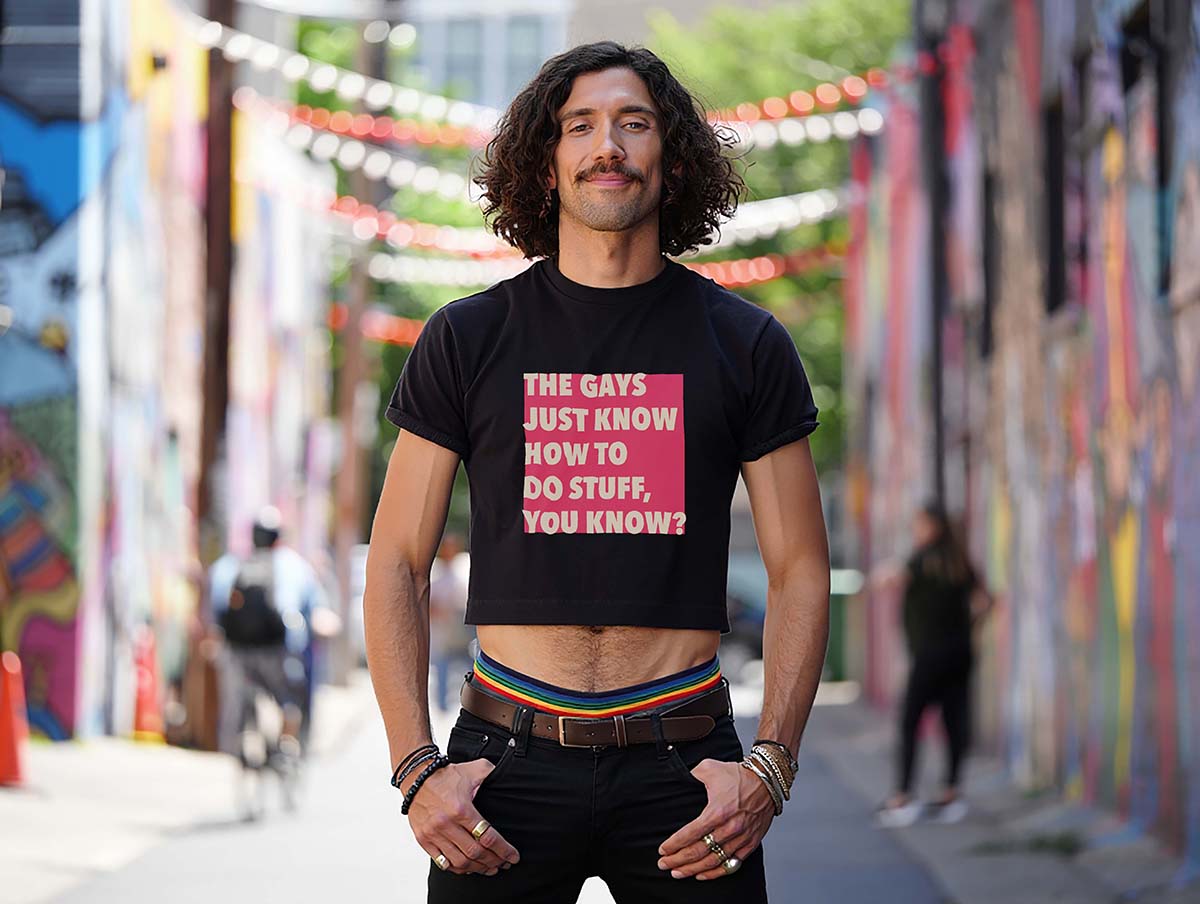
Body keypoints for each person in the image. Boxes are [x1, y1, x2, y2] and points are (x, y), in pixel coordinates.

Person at [364, 41, 830, 903]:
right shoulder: (467, 337)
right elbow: (395, 560)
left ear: (673, 157)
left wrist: (770, 767)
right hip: (502, 765)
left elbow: (800, 566)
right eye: (578, 126)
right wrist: (416, 769)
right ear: (545, 164)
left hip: (686, 768)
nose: (606, 146)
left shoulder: (745, 343)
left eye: (633, 123)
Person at [874, 501, 995, 828]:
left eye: (919, 524)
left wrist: (883, 576)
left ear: (932, 526)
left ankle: (902, 794)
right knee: (954, 720)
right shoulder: (959, 561)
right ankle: (951, 790)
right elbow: (985, 601)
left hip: (929, 655)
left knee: (910, 720)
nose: (915, 530)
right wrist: (969, 628)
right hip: (960, 653)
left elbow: (891, 576)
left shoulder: (923, 559)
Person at [208, 506, 330, 763]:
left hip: (239, 648)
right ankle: (287, 745)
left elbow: (217, 605)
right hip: (280, 649)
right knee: (291, 699)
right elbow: (315, 610)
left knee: (238, 697)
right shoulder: (295, 566)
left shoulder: (233, 564)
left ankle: (237, 747)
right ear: (279, 538)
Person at [428, 532, 474, 712]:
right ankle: (442, 706)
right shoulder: (436, 571)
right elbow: (430, 603)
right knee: (442, 668)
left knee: (470, 666)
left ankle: (470, 703)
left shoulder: (464, 565)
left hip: (464, 627)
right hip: (444, 628)